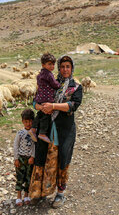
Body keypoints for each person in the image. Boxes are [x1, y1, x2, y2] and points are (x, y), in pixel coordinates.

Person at [29, 55, 83, 208]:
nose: (65, 69)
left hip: (64, 129)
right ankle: (38, 192)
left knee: (62, 159)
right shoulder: (50, 82)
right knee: (42, 157)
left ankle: (60, 193)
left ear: (72, 69)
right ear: (59, 68)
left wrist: (52, 106)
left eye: (68, 66)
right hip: (45, 128)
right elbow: (35, 100)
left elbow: (73, 105)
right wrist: (40, 107)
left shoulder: (76, 87)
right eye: (63, 66)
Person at [29, 52, 61, 143]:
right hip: (47, 98)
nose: (52, 66)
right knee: (46, 115)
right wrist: (59, 85)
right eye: (49, 64)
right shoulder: (49, 74)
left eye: (53, 64)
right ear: (43, 64)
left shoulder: (40, 74)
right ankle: (42, 133)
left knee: (40, 114)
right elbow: (54, 84)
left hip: (40, 97)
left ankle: (33, 129)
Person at [13, 108, 35, 206]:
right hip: (21, 158)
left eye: (30, 121)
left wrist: (33, 156)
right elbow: (15, 145)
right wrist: (16, 158)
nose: (28, 123)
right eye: (26, 121)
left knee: (28, 177)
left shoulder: (34, 132)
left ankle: (26, 195)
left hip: (29, 159)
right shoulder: (20, 133)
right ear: (23, 122)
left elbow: (35, 145)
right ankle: (18, 196)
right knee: (19, 177)